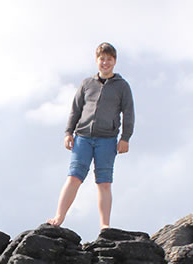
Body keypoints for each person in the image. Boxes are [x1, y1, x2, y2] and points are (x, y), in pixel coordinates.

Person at [47, 42, 135, 230]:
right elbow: (75, 109)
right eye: (102, 59)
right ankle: (58, 217)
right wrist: (68, 133)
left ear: (114, 61)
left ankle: (105, 225)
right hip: (83, 138)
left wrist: (125, 138)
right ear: (97, 61)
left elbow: (129, 113)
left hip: (107, 140)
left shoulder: (122, 86)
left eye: (109, 59)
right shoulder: (87, 83)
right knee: (74, 177)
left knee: (104, 182)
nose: (105, 63)